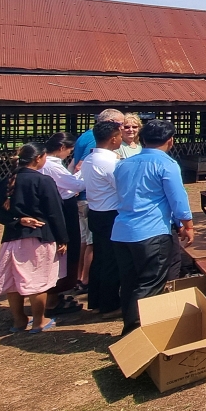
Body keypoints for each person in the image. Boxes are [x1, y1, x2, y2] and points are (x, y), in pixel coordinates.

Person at [112, 119, 194, 335]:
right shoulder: (166, 164)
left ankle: (130, 327)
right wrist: (187, 224)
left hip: (122, 232)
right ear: (170, 141)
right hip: (152, 232)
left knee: (129, 283)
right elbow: (177, 198)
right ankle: (136, 334)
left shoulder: (122, 164)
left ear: (142, 138)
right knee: (150, 283)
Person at [0, 143, 68, 333]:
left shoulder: (6, 182)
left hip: (12, 238)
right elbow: (55, 213)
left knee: (13, 280)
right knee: (38, 280)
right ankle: (39, 321)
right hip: (40, 237)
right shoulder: (43, 181)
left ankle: (19, 320)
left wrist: (18, 220)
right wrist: (63, 238)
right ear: (38, 158)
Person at [39, 132, 85, 316]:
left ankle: (54, 296)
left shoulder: (47, 164)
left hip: (59, 206)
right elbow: (74, 185)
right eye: (69, 150)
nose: (69, 154)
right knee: (66, 249)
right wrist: (83, 172)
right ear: (61, 148)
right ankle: (52, 299)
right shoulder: (52, 166)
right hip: (63, 207)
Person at [80, 121, 122, 317]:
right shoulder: (109, 162)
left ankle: (96, 300)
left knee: (100, 258)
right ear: (113, 139)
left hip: (96, 212)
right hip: (110, 214)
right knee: (111, 260)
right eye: (120, 135)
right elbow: (121, 187)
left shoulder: (89, 159)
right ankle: (110, 304)